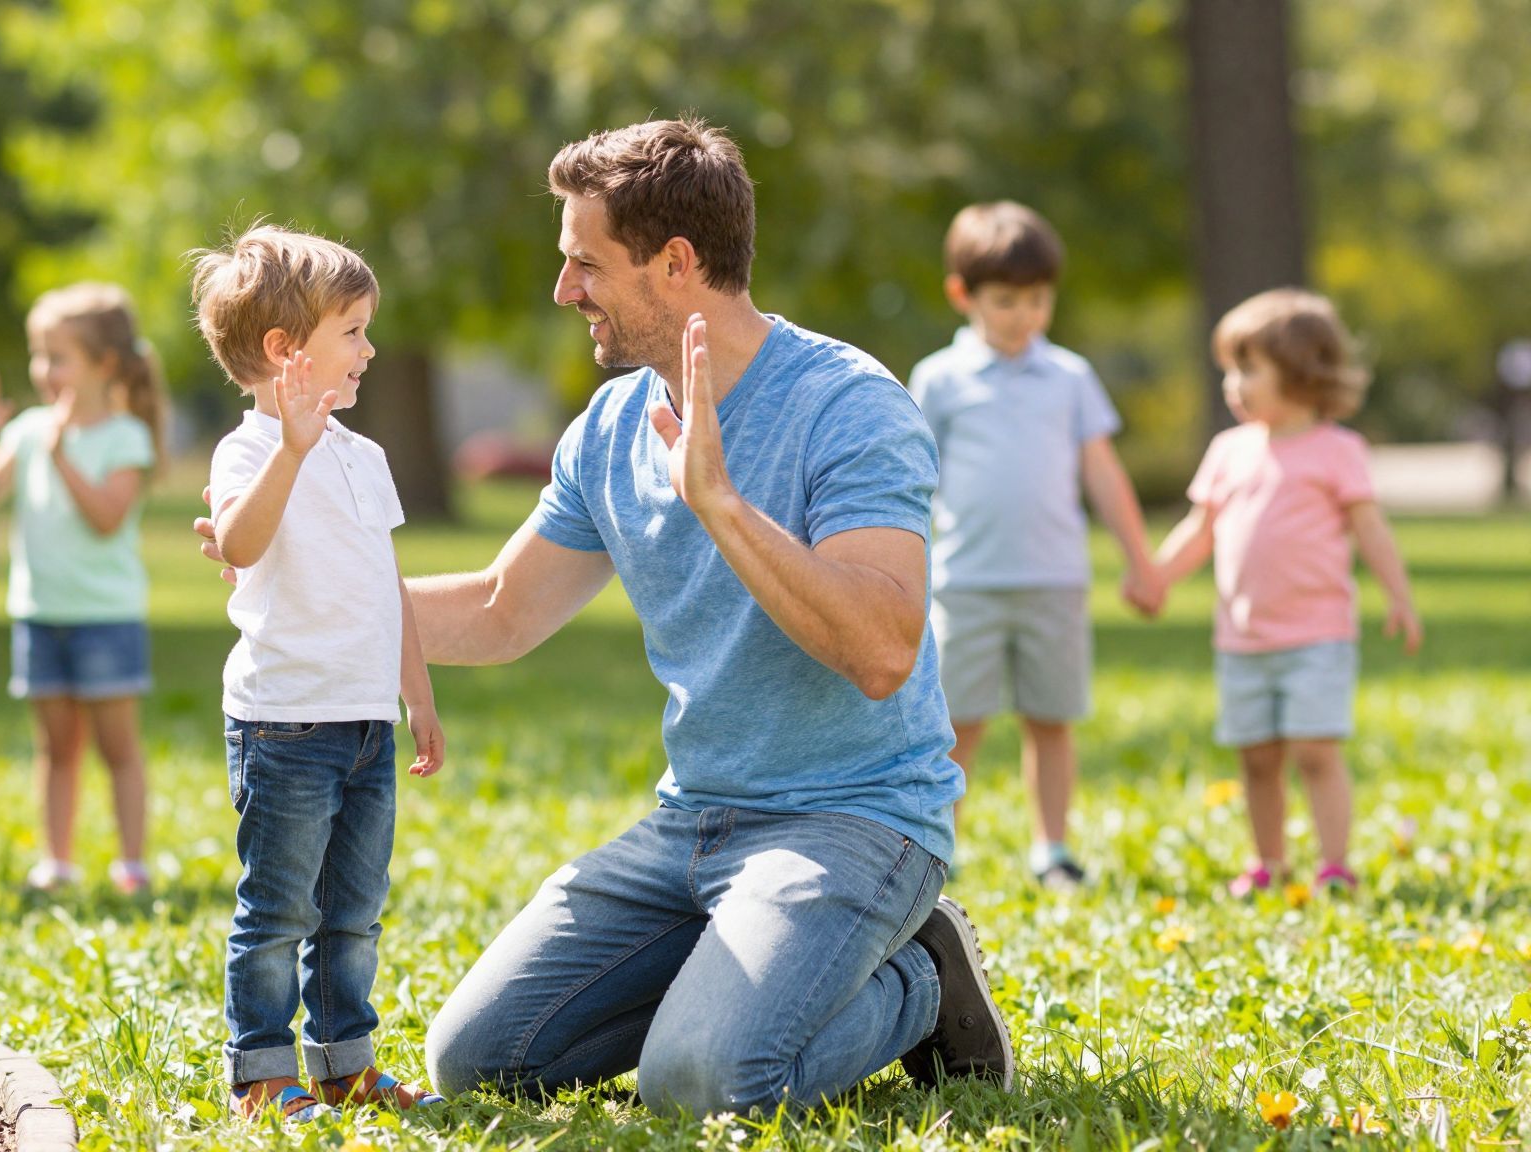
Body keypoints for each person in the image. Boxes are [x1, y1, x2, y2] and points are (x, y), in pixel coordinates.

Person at [199, 119, 1014, 1116]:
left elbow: (883, 651)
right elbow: (502, 610)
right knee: (478, 1060)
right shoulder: (612, 426)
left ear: (673, 264)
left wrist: (719, 503)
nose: (562, 289)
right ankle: (738, 971)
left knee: (702, 1082)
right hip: (694, 820)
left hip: (851, 819)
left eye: (584, 262)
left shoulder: (846, 404)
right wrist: (303, 603)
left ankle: (916, 984)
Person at [192, 224, 446, 1122]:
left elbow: (390, 587)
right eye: (353, 330)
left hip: (365, 721)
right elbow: (238, 543)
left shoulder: (366, 456)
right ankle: (262, 1072)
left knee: (353, 912)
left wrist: (416, 694)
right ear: (283, 350)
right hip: (286, 723)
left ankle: (344, 1064)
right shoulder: (249, 454)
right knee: (277, 913)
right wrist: (293, 449)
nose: (370, 348)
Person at [906, 201, 1162, 888]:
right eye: (1006, 299)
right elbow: (911, 476)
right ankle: (939, 851)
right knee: (959, 724)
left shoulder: (1069, 377)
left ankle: (1052, 849)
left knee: (1051, 718)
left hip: (1055, 579)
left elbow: (1102, 471)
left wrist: (1141, 561)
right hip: (966, 582)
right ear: (964, 295)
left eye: (1039, 299)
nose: (1025, 314)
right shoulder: (940, 379)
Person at [1153, 288, 1421, 897]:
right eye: (1229, 369)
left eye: (1247, 369)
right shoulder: (1228, 451)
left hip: (1316, 636)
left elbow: (1371, 531)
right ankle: (1269, 864)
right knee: (1258, 757)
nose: (1233, 384)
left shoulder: (1338, 452)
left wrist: (1399, 596)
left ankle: (1334, 864)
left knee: (1315, 752)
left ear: (1301, 374)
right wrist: (1157, 577)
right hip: (1243, 639)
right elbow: (1201, 530)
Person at [0, 283, 165, 896]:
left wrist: (62, 456)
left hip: (106, 617)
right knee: (55, 747)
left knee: (117, 745)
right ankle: (58, 860)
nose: (43, 371)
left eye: (58, 357)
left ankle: (130, 862)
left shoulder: (126, 436)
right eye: (39, 355)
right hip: (40, 614)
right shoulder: (27, 430)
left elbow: (107, 517)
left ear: (104, 365)